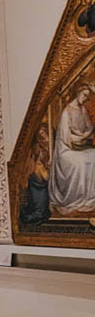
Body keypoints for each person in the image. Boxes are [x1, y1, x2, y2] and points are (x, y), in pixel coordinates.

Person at [47, 84, 95, 220]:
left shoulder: (83, 110)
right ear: (78, 93)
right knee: (81, 161)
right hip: (66, 150)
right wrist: (81, 137)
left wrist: (84, 135)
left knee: (93, 156)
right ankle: (76, 197)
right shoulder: (66, 112)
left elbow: (89, 129)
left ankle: (89, 197)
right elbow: (65, 138)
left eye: (87, 96)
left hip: (81, 146)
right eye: (84, 95)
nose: (85, 99)